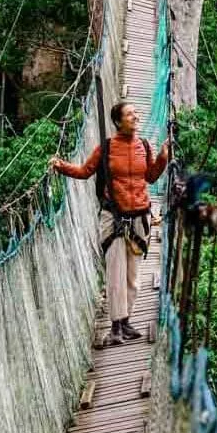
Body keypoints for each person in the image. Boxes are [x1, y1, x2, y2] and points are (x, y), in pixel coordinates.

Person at [51, 102, 169, 347]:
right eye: (129, 114)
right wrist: (61, 166)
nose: (135, 117)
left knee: (133, 277)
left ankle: (125, 321)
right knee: (116, 273)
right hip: (114, 217)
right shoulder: (106, 149)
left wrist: (163, 158)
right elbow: (85, 171)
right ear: (118, 121)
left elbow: (150, 177)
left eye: (135, 113)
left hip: (140, 218)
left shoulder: (144, 145)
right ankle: (115, 327)